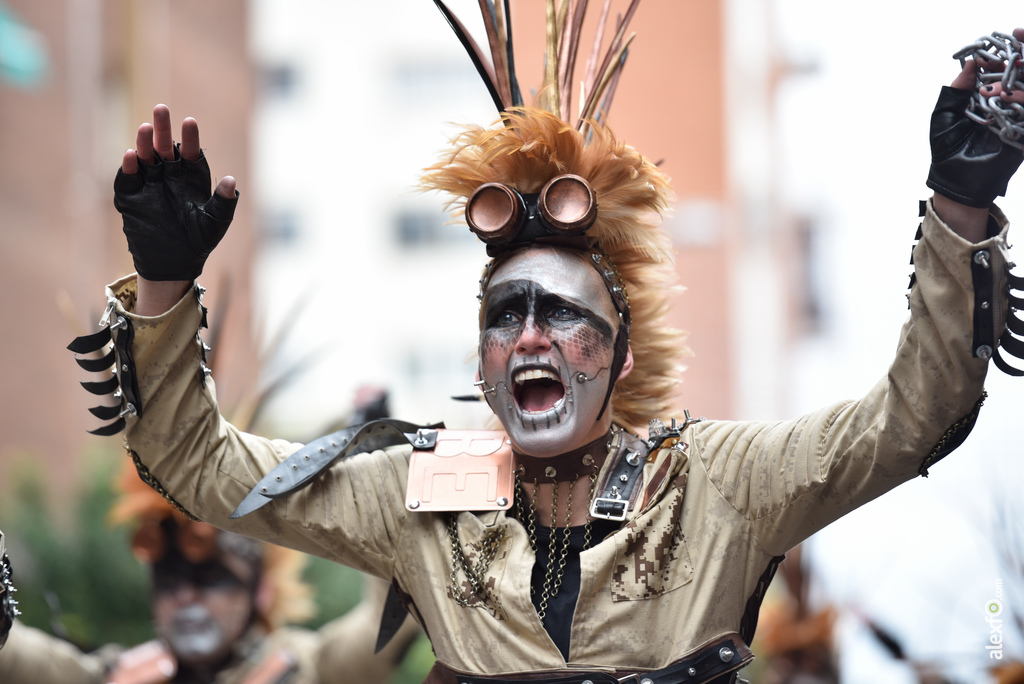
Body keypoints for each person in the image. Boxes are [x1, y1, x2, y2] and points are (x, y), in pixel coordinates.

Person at [68, 5, 1024, 683]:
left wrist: (962, 206)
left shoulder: (720, 482)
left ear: (624, 356)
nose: (530, 334)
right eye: (504, 315)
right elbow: (201, 469)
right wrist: (164, 280)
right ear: (482, 363)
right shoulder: (418, 496)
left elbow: (913, 418)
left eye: (566, 316)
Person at [0, 464, 418, 683]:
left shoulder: (311, 668)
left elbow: (386, 629)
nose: (183, 596)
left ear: (261, 590)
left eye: (210, 579)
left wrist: (379, 496)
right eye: (168, 581)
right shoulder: (118, 676)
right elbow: (22, 661)